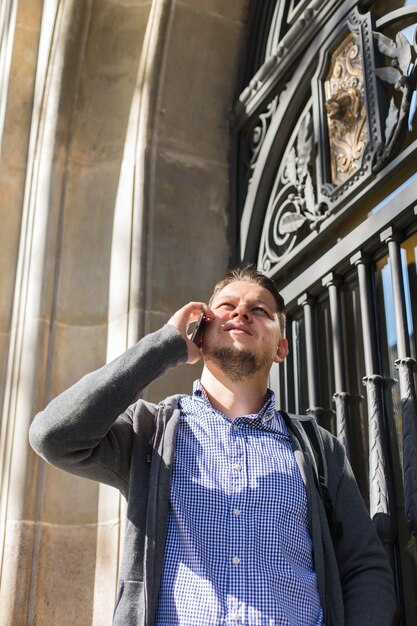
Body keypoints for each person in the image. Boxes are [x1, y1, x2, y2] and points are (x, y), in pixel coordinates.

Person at [29, 266, 395, 626]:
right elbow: (54, 436)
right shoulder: (150, 431)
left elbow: (364, 565)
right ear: (200, 334)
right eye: (226, 306)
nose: (241, 313)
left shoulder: (319, 448)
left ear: (281, 347)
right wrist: (164, 347)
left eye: (259, 310)